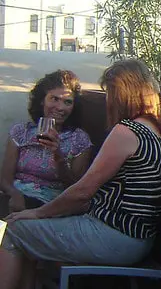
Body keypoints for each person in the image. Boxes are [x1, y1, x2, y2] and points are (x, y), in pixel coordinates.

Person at [0, 59, 161, 289]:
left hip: (115, 237)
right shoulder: (155, 131)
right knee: (26, 229)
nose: (107, 102)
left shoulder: (126, 132)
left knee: (14, 230)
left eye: (109, 94)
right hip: (135, 238)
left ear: (121, 94)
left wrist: (38, 212)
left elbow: (82, 191)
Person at [0, 70, 92, 214]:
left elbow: (76, 189)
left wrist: (58, 156)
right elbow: (5, 179)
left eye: (67, 102)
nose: (60, 107)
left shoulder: (79, 139)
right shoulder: (21, 131)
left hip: (47, 204)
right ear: (42, 100)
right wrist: (15, 195)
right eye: (54, 99)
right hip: (14, 197)